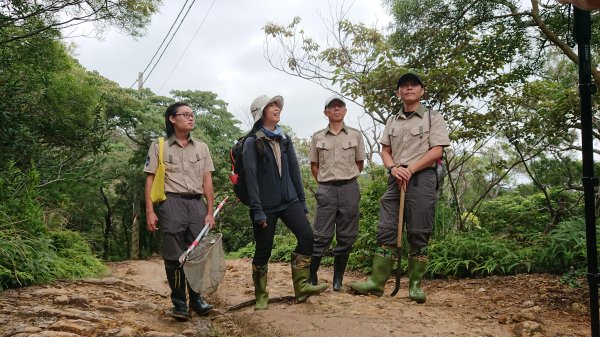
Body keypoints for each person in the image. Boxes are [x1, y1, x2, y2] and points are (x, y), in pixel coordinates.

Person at [349, 73, 450, 303]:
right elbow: (385, 150)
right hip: (396, 178)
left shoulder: (433, 118)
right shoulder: (393, 120)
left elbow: (437, 151)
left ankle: (415, 286)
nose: (409, 88)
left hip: (421, 177)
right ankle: (376, 283)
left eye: (414, 85)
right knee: (387, 228)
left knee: (419, 231)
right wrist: (394, 168)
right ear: (398, 93)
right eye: (404, 86)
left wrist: (411, 169)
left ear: (422, 90)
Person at [244, 94, 328, 310]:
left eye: (277, 104)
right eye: (271, 105)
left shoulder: (285, 139)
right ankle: (261, 294)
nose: (277, 108)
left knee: (307, 237)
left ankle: (301, 286)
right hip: (265, 205)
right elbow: (251, 179)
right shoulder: (252, 142)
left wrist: (301, 200)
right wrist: (257, 210)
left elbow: (294, 172)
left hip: (289, 200)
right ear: (260, 113)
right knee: (264, 248)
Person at [144, 102, 215, 321]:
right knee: (174, 256)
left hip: (196, 204)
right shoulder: (160, 146)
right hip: (171, 203)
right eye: (185, 115)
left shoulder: (201, 147)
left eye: (192, 115)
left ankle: (196, 300)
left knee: (197, 255)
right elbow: (150, 178)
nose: (191, 118)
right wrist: (150, 211)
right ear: (172, 119)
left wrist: (209, 211)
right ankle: (179, 304)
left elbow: (207, 180)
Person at [308, 95, 366, 292]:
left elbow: (359, 163)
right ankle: (312, 275)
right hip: (326, 189)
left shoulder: (355, 135)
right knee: (320, 235)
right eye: (332, 107)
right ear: (326, 112)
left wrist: (346, 178)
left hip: (349, 187)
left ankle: (337, 279)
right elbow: (314, 166)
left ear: (345, 111)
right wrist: (326, 183)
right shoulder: (318, 137)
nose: (336, 109)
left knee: (347, 235)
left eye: (340, 106)